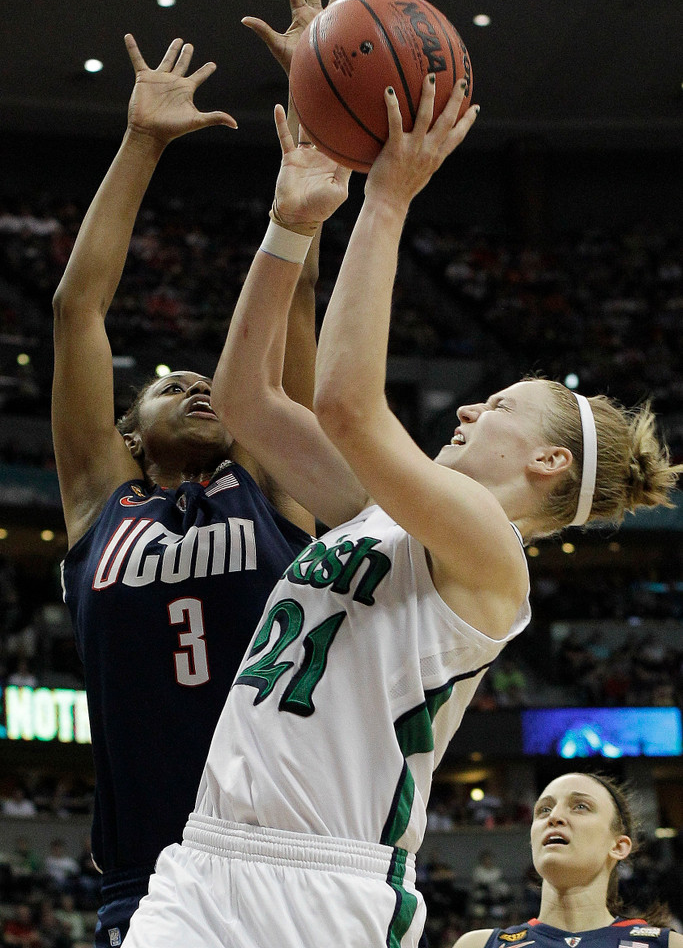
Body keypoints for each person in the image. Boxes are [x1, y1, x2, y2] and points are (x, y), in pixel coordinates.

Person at [123, 72, 680, 947]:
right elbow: (244, 401)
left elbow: (345, 402)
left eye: (493, 404)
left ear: (548, 461)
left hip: (329, 886)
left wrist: (385, 196)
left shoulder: (490, 556)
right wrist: (290, 225)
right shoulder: (377, 513)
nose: (466, 410)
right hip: (204, 860)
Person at [52, 0, 343, 948]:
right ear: (126, 435)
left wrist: (315, 100)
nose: (195, 381)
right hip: (148, 879)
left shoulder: (269, 482)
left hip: (283, 867)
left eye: (208, 377)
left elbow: (296, 295)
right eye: (166, 382)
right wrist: (139, 142)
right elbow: (77, 309)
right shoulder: (100, 504)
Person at [453, 771, 682, 948]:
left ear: (618, 846)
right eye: (543, 810)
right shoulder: (479, 944)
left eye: (580, 806)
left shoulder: (668, 944)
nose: (554, 817)